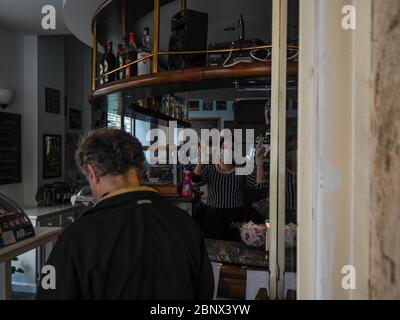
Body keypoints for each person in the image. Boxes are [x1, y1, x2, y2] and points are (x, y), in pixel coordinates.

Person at [36, 128, 214, 300]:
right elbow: (204, 292)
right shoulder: (185, 224)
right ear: (140, 168)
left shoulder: (76, 238)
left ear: (92, 173)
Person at [192, 137, 267, 241]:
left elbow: (259, 185)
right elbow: (195, 182)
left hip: (236, 216)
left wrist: (259, 164)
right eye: (224, 148)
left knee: (236, 248)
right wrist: (200, 161)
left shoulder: (242, 167)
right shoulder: (210, 167)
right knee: (213, 250)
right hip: (213, 216)